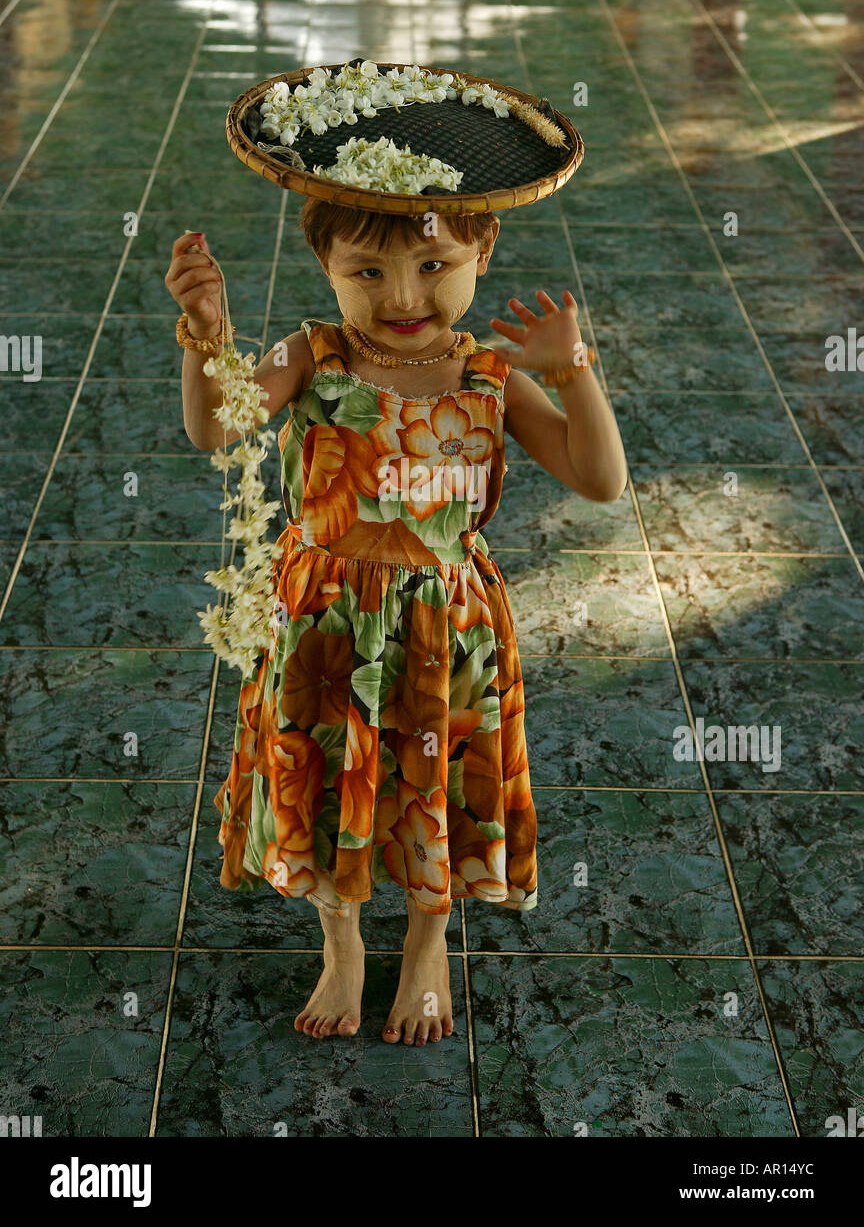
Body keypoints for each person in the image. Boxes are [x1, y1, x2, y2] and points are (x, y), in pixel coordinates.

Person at [167, 61, 627, 1047]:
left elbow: (598, 479)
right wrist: (205, 337)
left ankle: (425, 940)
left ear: (482, 247)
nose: (403, 294)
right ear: (326, 265)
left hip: (440, 622)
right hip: (324, 616)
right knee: (328, 780)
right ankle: (343, 944)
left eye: (433, 265)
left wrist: (574, 371)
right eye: (365, 273)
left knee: (429, 789)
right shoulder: (313, 357)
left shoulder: (491, 375)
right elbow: (220, 429)